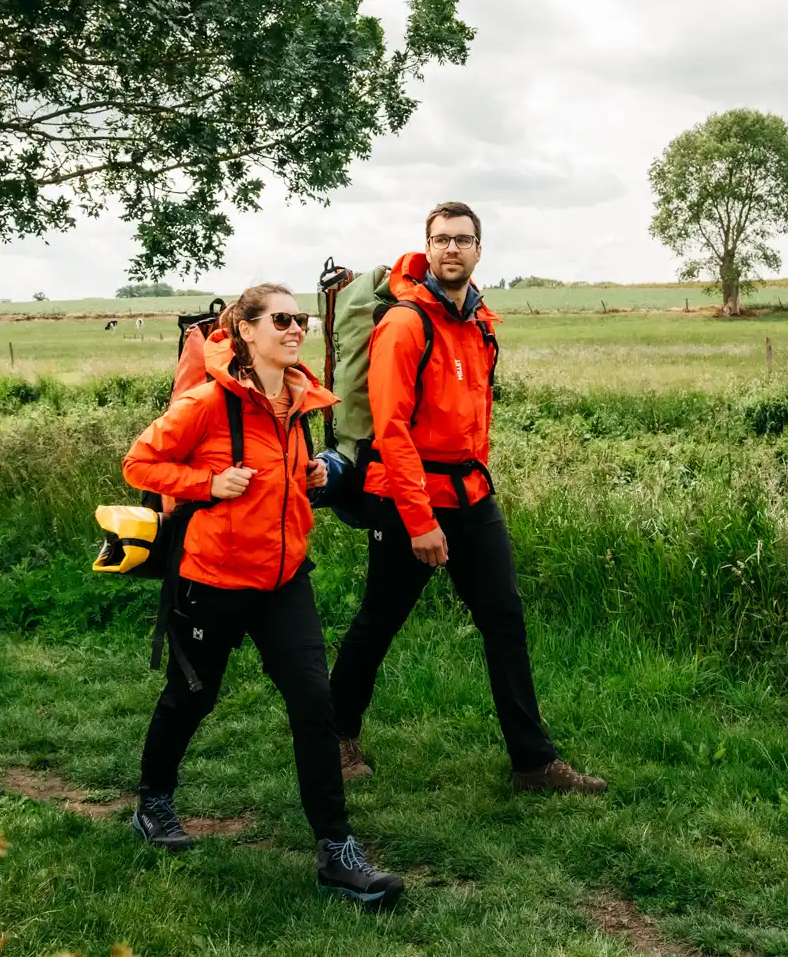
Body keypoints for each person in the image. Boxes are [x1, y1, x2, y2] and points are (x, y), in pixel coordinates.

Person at [122, 283, 405, 908]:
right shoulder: (206, 403)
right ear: (245, 330)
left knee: (314, 705)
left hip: (283, 580)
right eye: (281, 319)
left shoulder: (297, 403)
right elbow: (139, 464)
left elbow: (281, 480)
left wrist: (309, 475)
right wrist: (207, 482)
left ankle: (337, 852)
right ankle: (154, 803)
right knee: (192, 697)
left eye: (299, 317)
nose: (296, 327)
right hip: (212, 577)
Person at [329, 202, 606, 794]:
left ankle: (533, 763)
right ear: (428, 249)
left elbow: (473, 417)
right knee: (380, 621)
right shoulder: (405, 324)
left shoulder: (480, 323)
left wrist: (472, 491)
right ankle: (335, 734)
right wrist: (420, 521)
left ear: (479, 249)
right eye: (441, 240)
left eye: (462, 239)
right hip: (405, 498)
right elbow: (391, 428)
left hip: (471, 495)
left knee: (504, 620)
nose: (451, 248)